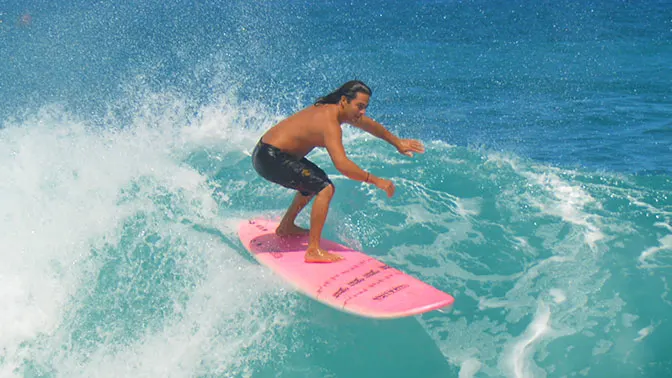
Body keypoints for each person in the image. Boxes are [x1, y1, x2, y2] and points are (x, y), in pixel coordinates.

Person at [251, 80, 425, 263]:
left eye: (365, 107)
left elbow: (369, 125)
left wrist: (397, 142)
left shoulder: (335, 110)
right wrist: (376, 180)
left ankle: (286, 226)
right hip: (270, 158)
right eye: (359, 106)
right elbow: (342, 165)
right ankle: (313, 251)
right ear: (343, 101)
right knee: (324, 188)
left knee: (313, 181)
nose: (363, 112)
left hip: (270, 152)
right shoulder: (330, 123)